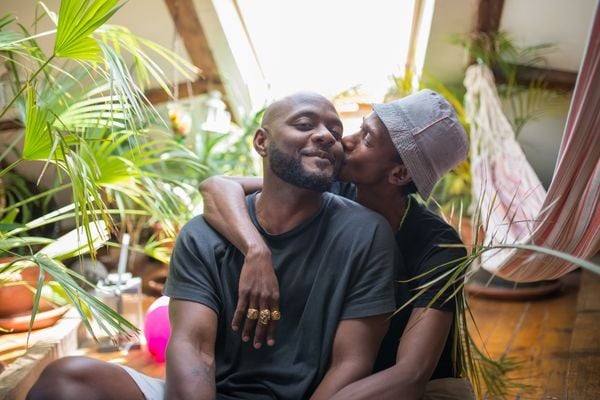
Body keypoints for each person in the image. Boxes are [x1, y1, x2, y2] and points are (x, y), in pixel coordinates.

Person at [26, 92, 398, 400]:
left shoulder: (365, 234)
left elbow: (351, 363)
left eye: (335, 131)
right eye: (304, 125)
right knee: (64, 381)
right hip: (207, 393)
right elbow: (194, 350)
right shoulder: (203, 235)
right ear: (261, 142)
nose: (326, 136)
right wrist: (257, 250)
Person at [199, 89, 474, 399]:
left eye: (367, 139)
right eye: (359, 127)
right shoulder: (332, 190)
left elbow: (410, 374)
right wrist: (255, 251)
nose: (346, 141)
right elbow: (217, 188)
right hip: (333, 378)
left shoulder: (438, 248)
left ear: (399, 174)